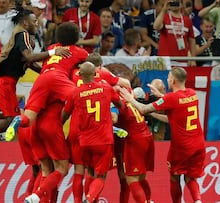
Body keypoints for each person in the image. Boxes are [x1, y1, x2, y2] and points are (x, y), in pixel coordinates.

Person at [0, 9, 70, 154]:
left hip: (4, 81)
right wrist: (52, 53)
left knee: (10, 116)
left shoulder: (22, 36)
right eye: (34, 21)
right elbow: (29, 57)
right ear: (25, 23)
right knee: (11, 120)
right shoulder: (23, 34)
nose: (37, 24)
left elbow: (28, 63)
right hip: (4, 82)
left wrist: (47, 72)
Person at [10, 22, 88, 203]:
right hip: (56, 91)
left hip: (41, 84)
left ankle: (17, 120)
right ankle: (37, 196)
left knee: (44, 168)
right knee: (84, 95)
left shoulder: (52, 48)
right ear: (76, 39)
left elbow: (34, 60)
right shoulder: (79, 52)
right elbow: (87, 66)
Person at [120, 67, 205, 203]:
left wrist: (130, 99)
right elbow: (176, 107)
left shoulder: (171, 98)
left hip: (182, 147)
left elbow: (143, 109)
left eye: (169, 78)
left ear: (173, 80)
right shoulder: (192, 93)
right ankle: (198, 200)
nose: (167, 80)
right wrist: (161, 97)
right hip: (199, 144)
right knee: (190, 177)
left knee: (175, 177)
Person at [68, 53, 130, 202]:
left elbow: (65, 111)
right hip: (99, 132)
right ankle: (89, 199)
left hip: (77, 130)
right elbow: (126, 83)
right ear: (99, 68)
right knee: (99, 174)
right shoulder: (103, 77)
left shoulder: (73, 75)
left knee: (80, 169)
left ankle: (78, 200)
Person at [115, 86, 155, 203]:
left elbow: (113, 119)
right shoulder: (134, 103)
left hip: (135, 141)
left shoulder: (120, 106)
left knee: (131, 179)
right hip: (147, 137)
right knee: (141, 177)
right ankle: (149, 200)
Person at [153, 0, 197, 66]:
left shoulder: (187, 20)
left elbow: (192, 41)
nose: (174, 4)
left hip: (182, 60)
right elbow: (156, 26)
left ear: (181, 5)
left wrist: (193, 59)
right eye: (172, 2)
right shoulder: (164, 17)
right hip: (165, 60)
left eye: (176, 2)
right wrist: (164, 9)